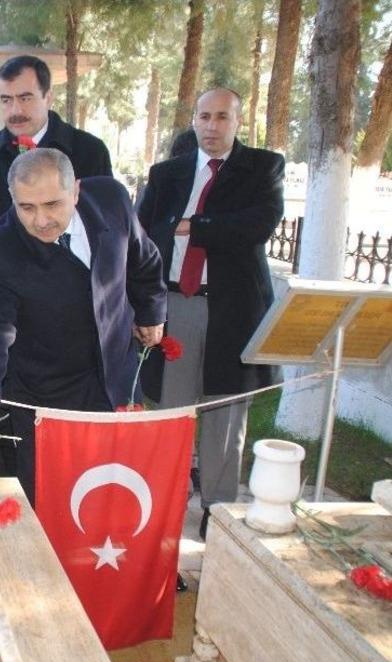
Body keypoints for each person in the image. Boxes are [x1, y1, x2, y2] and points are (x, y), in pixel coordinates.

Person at [0, 149, 166, 504]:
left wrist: (151, 311)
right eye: (26, 207)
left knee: (114, 499)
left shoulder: (112, 200)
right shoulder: (0, 249)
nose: (41, 220)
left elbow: (143, 257)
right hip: (45, 395)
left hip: (116, 381)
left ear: (76, 191)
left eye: (52, 204)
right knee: (48, 504)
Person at [137, 88, 285, 539]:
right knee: (172, 410)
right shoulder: (166, 174)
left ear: (238, 121)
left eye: (222, 116)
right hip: (175, 306)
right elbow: (142, 234)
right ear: (194, 120)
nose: (212, 126)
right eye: (204, 116)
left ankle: (217, 511)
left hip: (231, 310)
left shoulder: (262, 168)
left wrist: (193, 226)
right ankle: (167, 500)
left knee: (225, 412)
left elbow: (256, 226)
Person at [0, 55, 113, 277]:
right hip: (2, 289)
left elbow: (104, 228)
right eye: (6, 100)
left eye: (25, 98)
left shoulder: (89, 152)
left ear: (48, 97)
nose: (15, 110)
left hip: (76, 287)